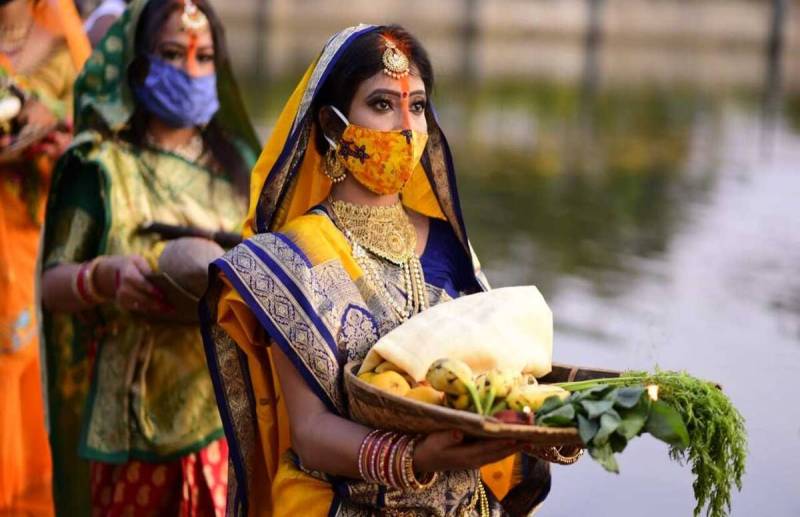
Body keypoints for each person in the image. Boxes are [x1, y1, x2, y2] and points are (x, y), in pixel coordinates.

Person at [200, 24, 559, 516]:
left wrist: (550, 423)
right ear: (332, 125)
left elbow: (492, 374)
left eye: (417, 107)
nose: (406, 128)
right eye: (383, 105)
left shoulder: (451, 245)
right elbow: (308, 433)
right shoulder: (290, 259)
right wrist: (415, 457)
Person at [39, 0, 259, 514]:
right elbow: (51, 285)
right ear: (135, 63)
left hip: (224, 409)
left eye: (204, 57)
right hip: (130, 420)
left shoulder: (240, 167)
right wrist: (103, 278)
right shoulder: (99, 167)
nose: (191, 70)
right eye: (171, 53)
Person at [0, 0, 89, 515]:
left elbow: (90, 154)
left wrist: (54, 141)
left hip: (31, 242)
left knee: (27, 372)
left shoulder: (64, 50)